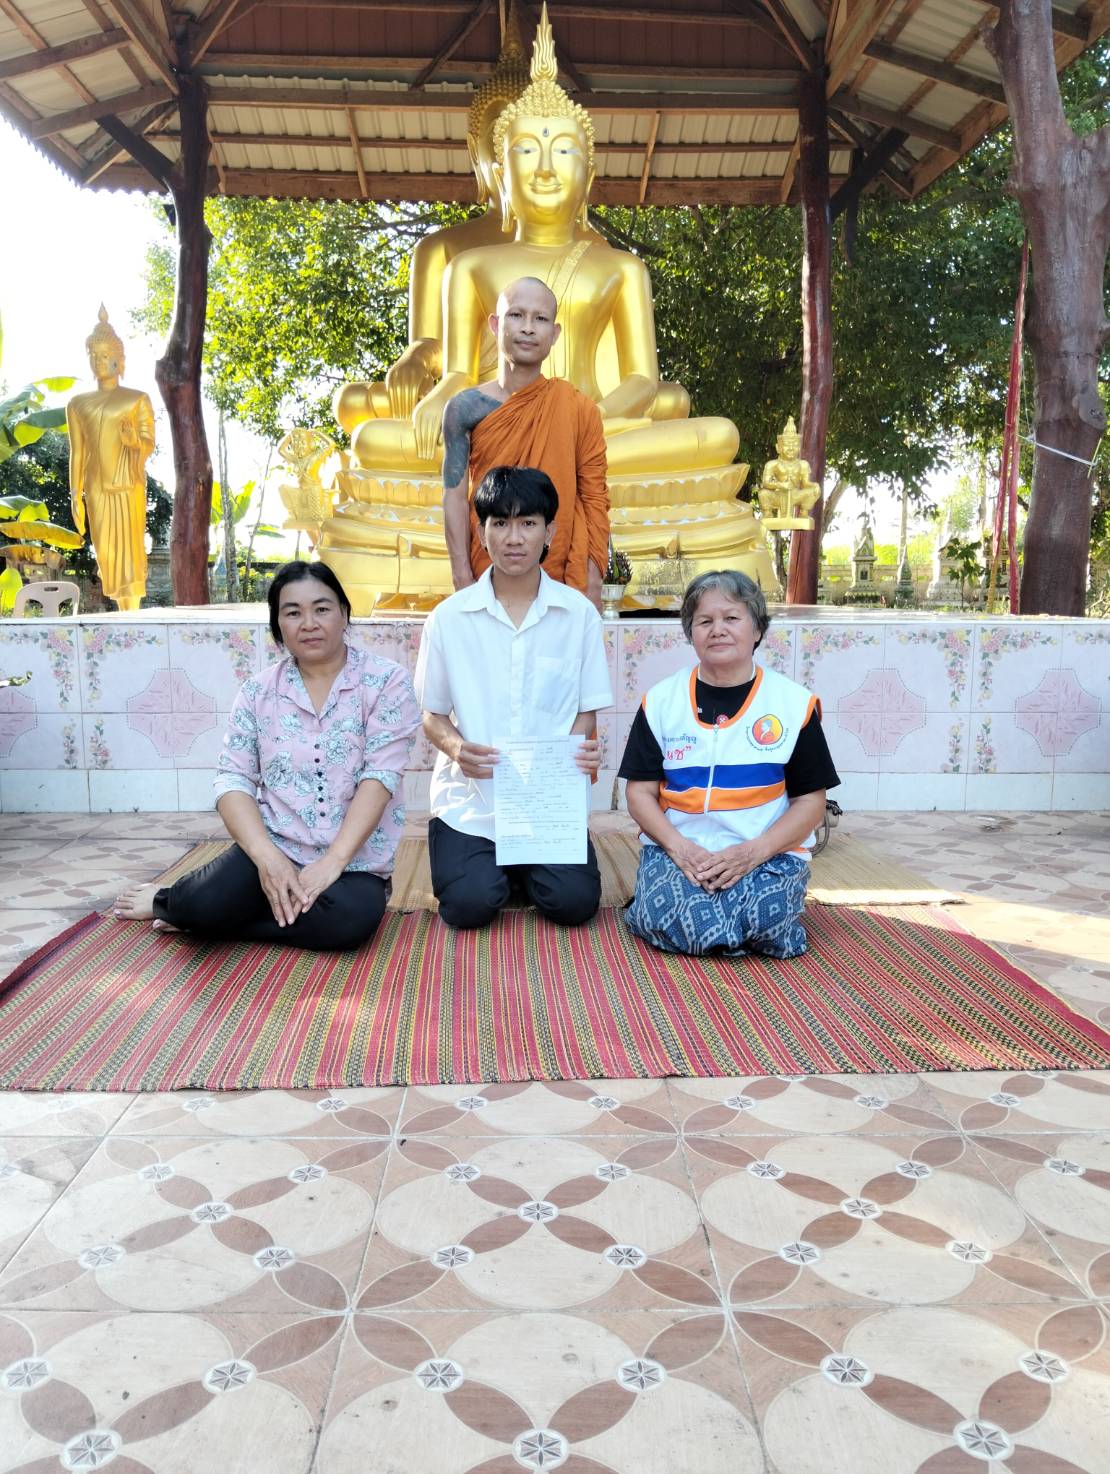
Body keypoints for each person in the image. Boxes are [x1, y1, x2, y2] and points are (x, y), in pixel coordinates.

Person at [114, 561, 420, 951]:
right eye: (293, 612)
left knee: (349, 922)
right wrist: (267, 859)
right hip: (276, 846)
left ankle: (215, 921)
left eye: (322, 608)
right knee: (201, 903)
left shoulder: (386, 682)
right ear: (278, 626)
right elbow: (232, 780)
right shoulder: (258, 692)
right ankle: (176, 902)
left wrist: (332, 862)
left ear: (344, 614)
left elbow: (380, 776)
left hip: (353, 863)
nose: (308, 622)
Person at [415, 464, 612, 928]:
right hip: (472, 803)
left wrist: (577, 751)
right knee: (469, 907)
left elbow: (586, 712)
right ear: (482, 533)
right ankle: (486, 864)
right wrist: (458, 749)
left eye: (528, 523)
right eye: (500, 523)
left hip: (546, 803)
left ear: (550, 531)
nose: (514, 537)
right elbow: (432, 715)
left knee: (573, 904)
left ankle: (520, 865)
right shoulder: (449, 619)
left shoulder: (578, 615)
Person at [619, 570, 839, 957]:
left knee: (759, 915)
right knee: (674, 912)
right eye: (704, 621)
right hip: (680, 852)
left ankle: (730, 922)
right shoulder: (661, 702)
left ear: (757, 629)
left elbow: (811, 802)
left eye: (731, 618)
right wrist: (679, 848)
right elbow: (638, 793)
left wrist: (753, 853)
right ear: (691, 634)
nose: (717, 629)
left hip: (766, 852)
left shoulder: (792, 705)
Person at [439, 276, 610, 607]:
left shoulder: (578, 407)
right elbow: (455, 497)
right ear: (495, 324)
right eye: (516, 315)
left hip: (561, 573)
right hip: (488, 564)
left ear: (555, 333)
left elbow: (594, 498)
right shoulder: (465, 408)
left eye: (540, 319)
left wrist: (593, 579)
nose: (528, 328)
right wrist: (462, 577)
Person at [66, 305, 156, 611]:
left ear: (118, 359)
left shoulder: (136, 399)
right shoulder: (78, 403)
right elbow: (78, 452)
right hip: (96, 486)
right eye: (94, 355)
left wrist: (134, 442)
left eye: (105, 355)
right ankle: (121, 609)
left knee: (130, 552)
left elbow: (147, 441)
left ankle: (132, 614)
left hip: (127, 484)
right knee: (106, 552)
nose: (99, 361)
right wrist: (74, 494)